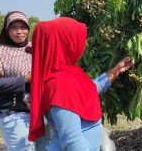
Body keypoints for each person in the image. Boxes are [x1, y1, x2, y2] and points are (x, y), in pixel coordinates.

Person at [28, 17, 133, 151]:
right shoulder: (59, 85)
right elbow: (72, 141)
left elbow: (88, 90)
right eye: (78, 39)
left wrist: (115, 71)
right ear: (65, 44)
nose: (83, 44)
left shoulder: (69, 71)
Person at [0, 11, 48, 151]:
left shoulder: (35, 47)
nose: (19, 32)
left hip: (39, 111)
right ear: (7, 29)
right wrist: (26, 79)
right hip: (12, 112)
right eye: (13, 27)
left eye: (23, 27)